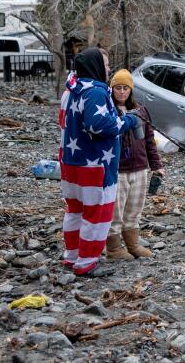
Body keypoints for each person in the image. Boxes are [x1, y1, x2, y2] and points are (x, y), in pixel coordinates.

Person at [59, 48, 140, 277]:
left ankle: (72, 256)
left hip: (70, 162)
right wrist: (126, 122)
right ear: (95, 66)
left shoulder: (70, 90)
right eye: (104, 64)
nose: (107, 69)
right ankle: (87, 261)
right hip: (95, 165)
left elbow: (63, 121)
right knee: (96, 213)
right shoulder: (95, 92)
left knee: (74, 210)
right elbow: (98, 125)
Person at [106, 68, 165, 260]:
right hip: (118, 169)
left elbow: (150, 140)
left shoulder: (140, 110)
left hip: (140, 167)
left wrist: (156, 165)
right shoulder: (108, 110)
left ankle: (132, 244)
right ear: (112, 89)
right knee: (116, 211)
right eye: (118, 88)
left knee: (134, 209)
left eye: (126, 88)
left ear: (131, 90)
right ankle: (114, 249)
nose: (122, 92)